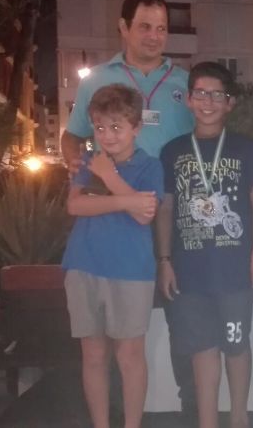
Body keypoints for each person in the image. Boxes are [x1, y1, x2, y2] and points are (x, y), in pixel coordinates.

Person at [60, 0, 197, 417]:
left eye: (162, 28)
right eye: (144, 26)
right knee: (102, 347)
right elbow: (72, 136)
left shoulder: (184, 83)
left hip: (173, 213)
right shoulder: (97, 80)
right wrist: (77, 164)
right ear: (124, 27)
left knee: (181, 322)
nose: (154, 36)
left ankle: (192, 413)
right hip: (106, 230)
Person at [156, 62, 253, 428]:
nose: (208, 102)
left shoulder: (245, 148)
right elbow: (166, 207)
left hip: (234, 271)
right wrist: (165, 259)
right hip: (190, 274)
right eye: (201, 94)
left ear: (229, 103)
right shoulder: (172, 151)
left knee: (236, 347)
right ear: (189, 99)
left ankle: (239, 418)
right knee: (202, 351)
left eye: (217, 95)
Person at [61, 84, 163, 428]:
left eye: (117, 127)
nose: (107, 135)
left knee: (130, 355)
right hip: (84, 265)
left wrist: (108, 176)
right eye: (100, 127)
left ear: (136, 127)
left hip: (131, 270)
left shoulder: (149, 166)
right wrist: (128, 200)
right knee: (93, 355)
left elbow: (145, 215)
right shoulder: (88, 163)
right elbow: (76, 205)